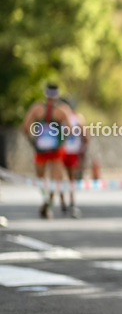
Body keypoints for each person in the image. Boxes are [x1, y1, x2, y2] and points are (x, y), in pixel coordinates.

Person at [20, 84, 72, 219]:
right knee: (55, 180)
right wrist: (61, 140)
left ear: (45, 94)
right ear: (58, 95)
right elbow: (70, 129)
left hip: (40, 149)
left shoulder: (37, 108)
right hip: (56, 150)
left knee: (41, 179)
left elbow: (25, 127)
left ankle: (45, 200)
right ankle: (48, 204)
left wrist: (33, 142)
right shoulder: (63, 110)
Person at [58, 96, 88, 218]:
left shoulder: (78, 118)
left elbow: (85, 136)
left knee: (71, 178)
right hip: (61, 152)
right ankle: (63, 203)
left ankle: (71, 202)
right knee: (59, 178)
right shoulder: (58, 118)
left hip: (73, 151)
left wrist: (83, 152)